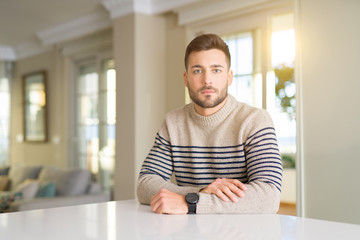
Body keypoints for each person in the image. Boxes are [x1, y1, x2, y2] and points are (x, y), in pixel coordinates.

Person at [137, 33, 282, 214]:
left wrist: (192, 203)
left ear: (229, 77)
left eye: (216, 70)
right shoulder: (172, 123)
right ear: (186, 78)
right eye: (197, 70)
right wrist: (197, 194)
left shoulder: (255, 120)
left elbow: (269, 196)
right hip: (190, 230)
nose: (207, 80)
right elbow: (145, 185)